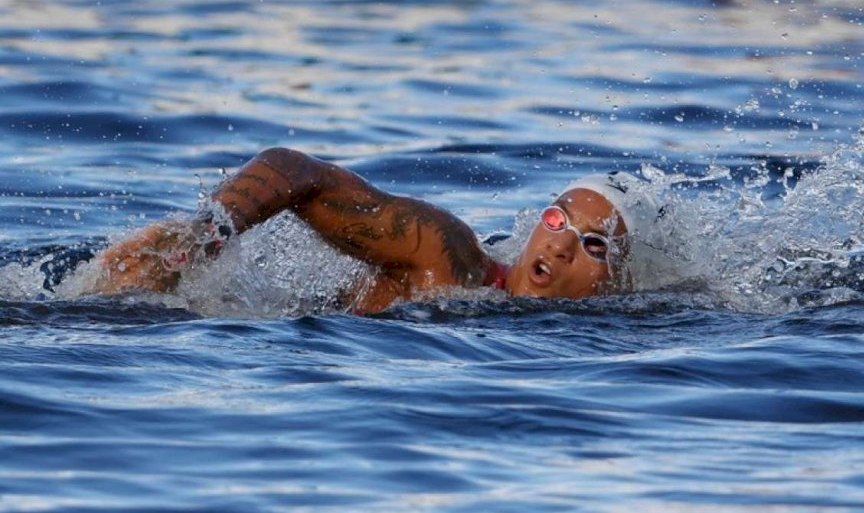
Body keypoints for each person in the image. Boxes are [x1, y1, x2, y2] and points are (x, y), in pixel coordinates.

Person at [93, 147, 661, 314]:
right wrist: (202, 239)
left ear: (618, 284)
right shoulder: (448, 259)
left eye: (594, 245)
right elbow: (297, 171)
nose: (560, 244)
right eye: (557, 220)